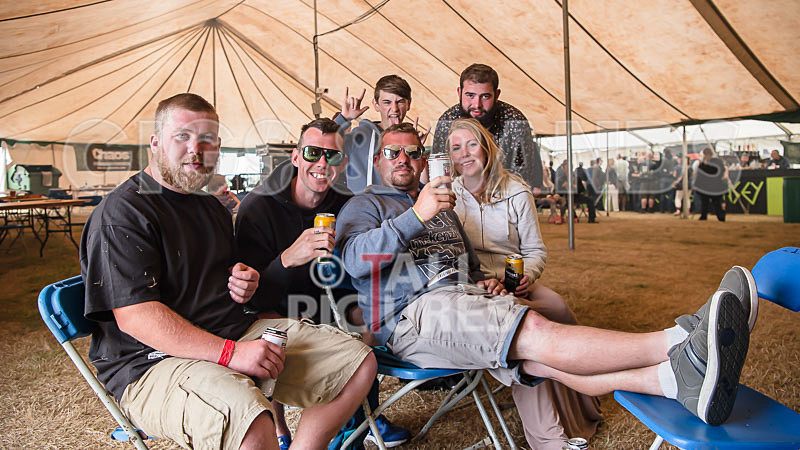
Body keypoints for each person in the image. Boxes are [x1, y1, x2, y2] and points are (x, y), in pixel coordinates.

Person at [336, 123, 757, 446]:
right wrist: (417, 215)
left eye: (413, 152)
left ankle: (669, 381)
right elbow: (354, 259)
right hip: (415, 315)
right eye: (394, 152)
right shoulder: (365, 204)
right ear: (378, 161)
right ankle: (679, 341)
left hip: (465, 298)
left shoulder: (443, 204)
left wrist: (488, 282)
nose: (404, 159)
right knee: (535, 331)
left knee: (540, 357)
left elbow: (469, 263)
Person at [80, 93, 376, 450]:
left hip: (234, 332)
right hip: (151, 363)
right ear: (155, 142)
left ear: (218, 146)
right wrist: (230, 353)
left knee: (357, 365)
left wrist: (246, 281)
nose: (196, 149)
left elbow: (236, 281)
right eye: (182, 136)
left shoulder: (212, 208)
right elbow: (136, 318)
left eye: (206, 140)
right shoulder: (123, 213)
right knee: (251, 422)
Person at [234, 118, 409, 447]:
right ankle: (278, 425)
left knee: (370, 320)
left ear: (342, 165)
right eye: (313, 153)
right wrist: (288, 259)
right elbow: (249, 299)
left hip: (328, 301)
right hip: (272, 306)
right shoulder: (258, 208)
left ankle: (357, 422)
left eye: (332, 156)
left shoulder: (346, 204)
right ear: (296, 156)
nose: (322, 163)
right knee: (272, 330)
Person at [448, 119, 602, 448]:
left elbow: (534, 251)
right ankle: (552, 437)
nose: (465, 153)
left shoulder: (516, 190)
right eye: (456, 148)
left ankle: (584, 401)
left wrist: (525, 277)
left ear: (486, 147)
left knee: (558, 307)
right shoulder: (447, 195)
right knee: (522, 329)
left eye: (471, 144)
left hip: (515, 279)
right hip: (475, 287)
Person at [431, 63, 543, 189]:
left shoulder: (515, 122)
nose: (477, 104)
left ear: (497, 95)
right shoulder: (446, 122)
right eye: (470, 95)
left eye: (485, 96)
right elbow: (438, 175)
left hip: (505, 199)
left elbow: (522, 179)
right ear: (459, 92)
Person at [694, 147, 728, 222]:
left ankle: (717, 216)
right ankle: (708, 216)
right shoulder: (717, 162)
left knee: (714, 202)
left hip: (710, 185)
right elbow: (722, 171)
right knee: (708, 202)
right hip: (711, 185)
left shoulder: (706, 163)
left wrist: (697, 184)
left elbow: (700, 174)